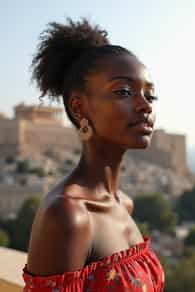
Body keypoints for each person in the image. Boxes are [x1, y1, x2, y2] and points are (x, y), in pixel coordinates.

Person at [22, 18, 165, 292]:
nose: (145, 106)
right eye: (124, 91)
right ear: (79, 109)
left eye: (150, 95)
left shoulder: (125, 204)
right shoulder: (68, 214)